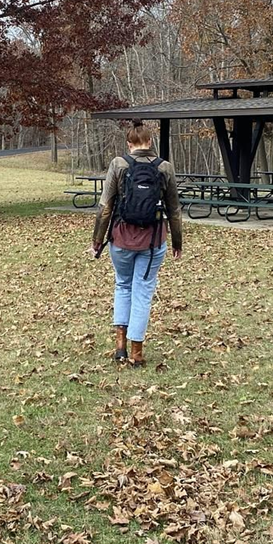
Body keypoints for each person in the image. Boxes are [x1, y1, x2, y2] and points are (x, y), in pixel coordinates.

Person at [90, 122, 183, 367]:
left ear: (129, 144)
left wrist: (97, 241)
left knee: (123, 286)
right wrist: (177, 242)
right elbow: (174, 210)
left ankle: (119, 348)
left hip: (121, 237)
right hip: (152, 241)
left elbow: (106, 206)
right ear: (150, 142)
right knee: (143, 291)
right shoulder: (165, 167)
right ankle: (137, 352)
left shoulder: (118, 164)